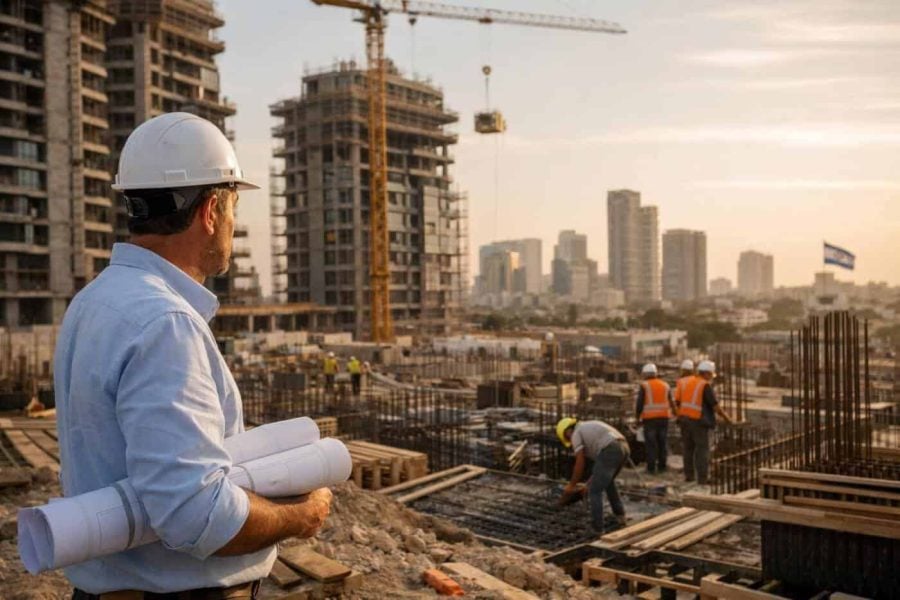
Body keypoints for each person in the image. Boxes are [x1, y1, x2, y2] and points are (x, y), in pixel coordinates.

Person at [55, 113, 333, 598]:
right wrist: (299, 515)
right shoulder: (166, 323)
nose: (231, 226)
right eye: (232, 210)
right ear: (209, 211)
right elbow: (196, 516)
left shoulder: (94, 301)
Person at [557, 417, 629, 533]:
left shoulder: (576, 433)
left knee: (594, 491)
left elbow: (579, 462)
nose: (570, 441)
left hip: (610, 449)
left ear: (567, 431)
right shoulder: (588, 428)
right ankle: (620, 516)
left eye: (567, 438)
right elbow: (599, 469)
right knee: (608, 483)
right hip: (623, 447)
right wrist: (588, 483)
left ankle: (598, 529)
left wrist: (571, 485)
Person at [677, 360, 734, 488]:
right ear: (707, 373)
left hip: (685, 420)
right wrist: (727, 419)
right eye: (711, 375)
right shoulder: (704, 385)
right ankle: (702, 479)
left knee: (688, 449)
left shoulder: (689, 382)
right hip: (698, 422)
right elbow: (715, 406)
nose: (711, 378)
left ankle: (689, 476)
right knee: (702, 450)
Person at [635, 363, 677, 474]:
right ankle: (662, 467)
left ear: (645, 374)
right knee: (662, 442)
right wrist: (676, 414)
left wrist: (637, 417)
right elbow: (672, 402)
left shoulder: (645, 385)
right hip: (664, 418)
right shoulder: (665, 385)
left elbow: (640, 403)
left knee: (651, 443)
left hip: (650, 419)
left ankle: (651, 468)